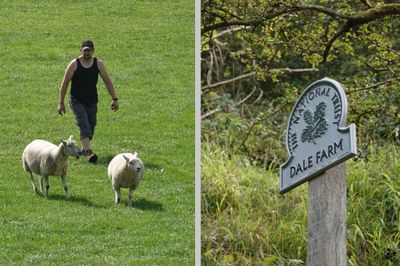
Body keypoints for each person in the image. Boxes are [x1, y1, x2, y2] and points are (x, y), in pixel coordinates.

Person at [57, 40, 119, 163]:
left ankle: (84, 148)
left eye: (89, 50)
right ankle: (88, 152)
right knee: (83, 124)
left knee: (91, 126)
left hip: (92, 101)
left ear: (92, 51)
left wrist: (114, 98)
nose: (87, 52)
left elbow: (107, 81)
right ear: (81, 50)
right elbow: (65, 83)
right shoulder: (74, 64)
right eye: (84, 50)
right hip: (77, 100)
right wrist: (61, 102)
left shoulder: (98, 64)